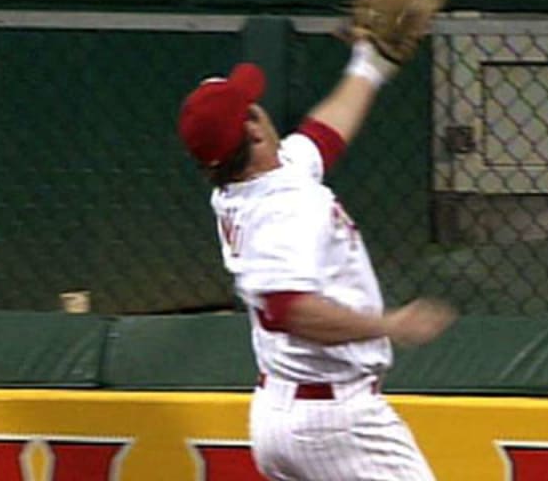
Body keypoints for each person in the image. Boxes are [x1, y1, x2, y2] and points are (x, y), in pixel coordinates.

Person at [178, 33, 456, 480]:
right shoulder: (287, 207)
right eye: (251, 106)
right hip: (334, 425)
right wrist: (388, 325)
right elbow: (293, 310)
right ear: (252, 131)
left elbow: (323, 135)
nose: (260, 106)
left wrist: (369, 63)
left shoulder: (247, 183)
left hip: (286, 409)